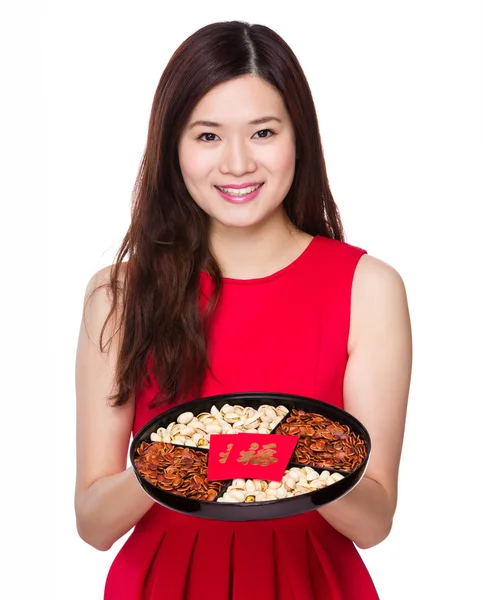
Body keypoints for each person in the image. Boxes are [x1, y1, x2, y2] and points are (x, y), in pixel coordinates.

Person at [75, 20, 412, 600]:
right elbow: (94, 522)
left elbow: (374, 521)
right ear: (172, 147)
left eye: (262, 132)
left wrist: (279, 456)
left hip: (311, 583)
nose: (236, 164)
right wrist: (183, 464)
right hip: (161, 584)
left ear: (298, 137)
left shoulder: (368, 287)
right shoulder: (119, 293)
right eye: (207, 136)